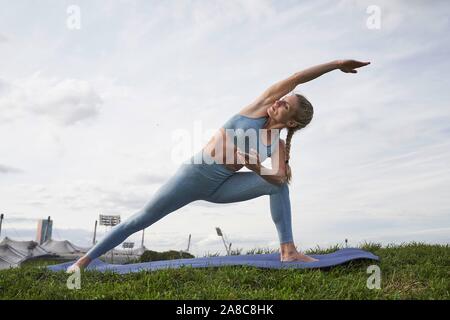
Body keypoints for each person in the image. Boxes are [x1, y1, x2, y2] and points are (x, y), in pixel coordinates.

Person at [67, 59, 370, 272]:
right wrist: (336, 64)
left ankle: (288, 251)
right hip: (193, 174)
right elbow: (295, 79)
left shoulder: (275, 141)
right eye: (282, 99)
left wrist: (254, 166)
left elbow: (276, 178)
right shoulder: (257, 107)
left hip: (221, 186)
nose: (278, 102)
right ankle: (84, 261)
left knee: (279, 187)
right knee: (142, 218)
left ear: (290, 121)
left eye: (285, 105)